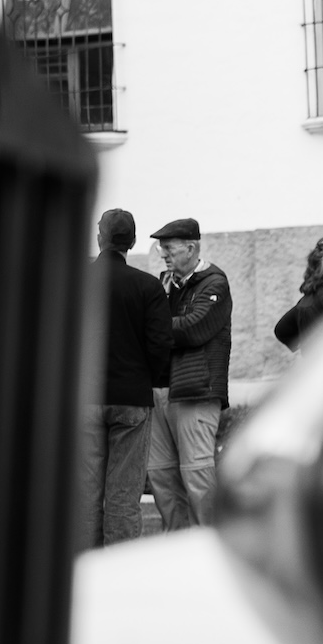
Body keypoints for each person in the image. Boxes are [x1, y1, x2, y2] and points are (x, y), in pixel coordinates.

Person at [76, 209, 171, 547]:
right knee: (124, 494)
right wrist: (149, 378)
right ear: (131, 242)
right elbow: (160, 345)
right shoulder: (147, 287)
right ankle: (119, 568)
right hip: (132, 396)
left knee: (86, 491)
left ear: (100, 238)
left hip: (85, 396)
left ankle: (86, 563)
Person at [146, 217, 232, 532]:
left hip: (196, 391)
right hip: (160, 391)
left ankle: (209, 544)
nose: (162, 255)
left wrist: (152, 325)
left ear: (191, 247)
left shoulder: (214, 283)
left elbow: (194, 328)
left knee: (196, 475)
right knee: (161, 475)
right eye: (160, 248)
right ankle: (178, 549)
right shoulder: (166, 284)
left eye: (168, 248)